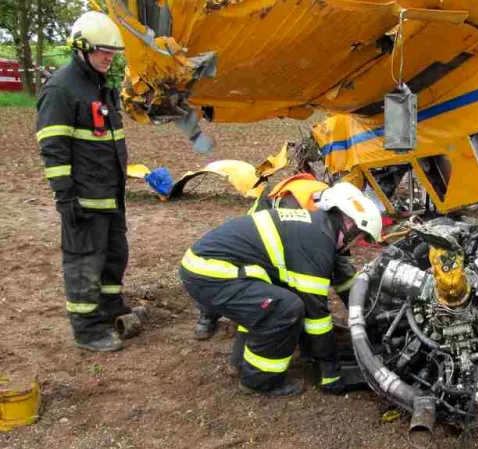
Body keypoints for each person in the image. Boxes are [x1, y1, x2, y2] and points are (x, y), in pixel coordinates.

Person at [179, 182, 382, 396]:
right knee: (284, 308)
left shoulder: (316, 228)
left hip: (210, 268)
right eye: (360, 237)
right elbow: (317, 317)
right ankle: (258, 382)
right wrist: (330, 371)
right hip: (209, 273)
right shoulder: (317, 244)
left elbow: (344, 282)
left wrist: (373, 317)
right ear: (349, 223)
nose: (358, 244)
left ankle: (239, 364)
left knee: (269, 301)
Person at [36, 11, 130, 352]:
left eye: (113, 52)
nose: (108, 57)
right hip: (84, 198)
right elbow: (53, 148)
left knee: (115, 255)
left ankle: (109, 307)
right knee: (84, 261)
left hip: (110, 195)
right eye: (102, 50)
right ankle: (87, 329)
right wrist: (65, 197)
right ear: (81, 47)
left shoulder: (100, 86)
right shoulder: (62, 89)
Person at [193, 173, 358, 339]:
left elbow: (340, 269)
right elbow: (296, 274)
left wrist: (359, 309)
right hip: (263, 226)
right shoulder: (304, 223)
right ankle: (208, 314)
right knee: (247, 274)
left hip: (288, 212)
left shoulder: (334, 214)